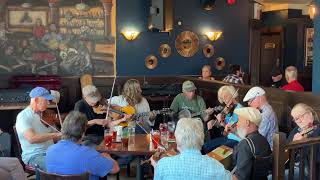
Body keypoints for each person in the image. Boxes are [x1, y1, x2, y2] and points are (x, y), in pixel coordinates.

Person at [46, 111, 119, 180]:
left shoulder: (50, 150)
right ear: (83, 134)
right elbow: (115, 169)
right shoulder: (88, 153)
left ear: (63, 129)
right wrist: (107, 156)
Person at [151, 118, 232, 180]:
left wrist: (156, 168)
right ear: (201, 139)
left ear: (177, 139)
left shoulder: (163, 165)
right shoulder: (215, 166)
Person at [15, 86, 61, 170]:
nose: (48, 103)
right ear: (36, 100)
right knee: (58, 167)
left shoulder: (45, 115)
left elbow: (56, 138)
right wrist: (55, 135)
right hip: (34, 155)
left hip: (51, 152)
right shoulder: (24, 116)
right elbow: (32, 138)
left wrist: (68, 134)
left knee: (74, 161)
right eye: (46, 100)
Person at [232, 107, 272, 180]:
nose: (237, 124)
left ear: (247, 122)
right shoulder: (263, 140)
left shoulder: (245, 144)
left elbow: (240, 178)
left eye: (238, 120)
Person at [202, 85, 242, 154]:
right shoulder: (229, 109)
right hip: (228, 137)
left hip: (236, 140)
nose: (224, 100)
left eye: (226, 96)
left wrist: (221, 122)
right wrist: (214, 122)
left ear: (233, 94)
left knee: (208, 149)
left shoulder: (239, 109)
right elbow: (225, 125)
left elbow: (230, 129)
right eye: (222, 98)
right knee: (205, 146)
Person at [286, 103, 320, 179]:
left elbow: (316, 157)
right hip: (292, 167)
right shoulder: (296, 130)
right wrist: (293, 143)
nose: (299, 121)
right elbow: (286, 151)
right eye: (296, 119)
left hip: (309, 172)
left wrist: (302, 143)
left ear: (310, 114)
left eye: (301, 116)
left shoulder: (317, 130)